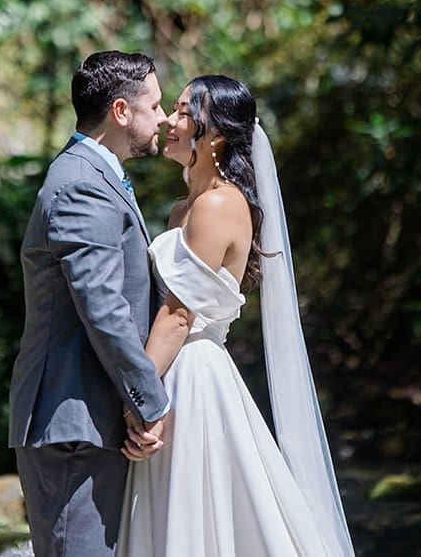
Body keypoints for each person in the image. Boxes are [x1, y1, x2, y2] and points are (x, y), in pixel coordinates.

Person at [117, 74, 356, 557]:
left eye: (184, 112)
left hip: (195, 378)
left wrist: (134, 400)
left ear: (217, 136)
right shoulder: (182, 209)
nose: (170, 121)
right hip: (171, 372)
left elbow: (178, 315)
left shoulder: (220, 204)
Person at [8, 51, 173, 557]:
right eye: (156, 106)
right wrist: (150, 402)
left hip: (87, 417)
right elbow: (102, 305)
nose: (164, 119)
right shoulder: (83, 184)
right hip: (74, 417)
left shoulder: (95, 175)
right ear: (122, 112)